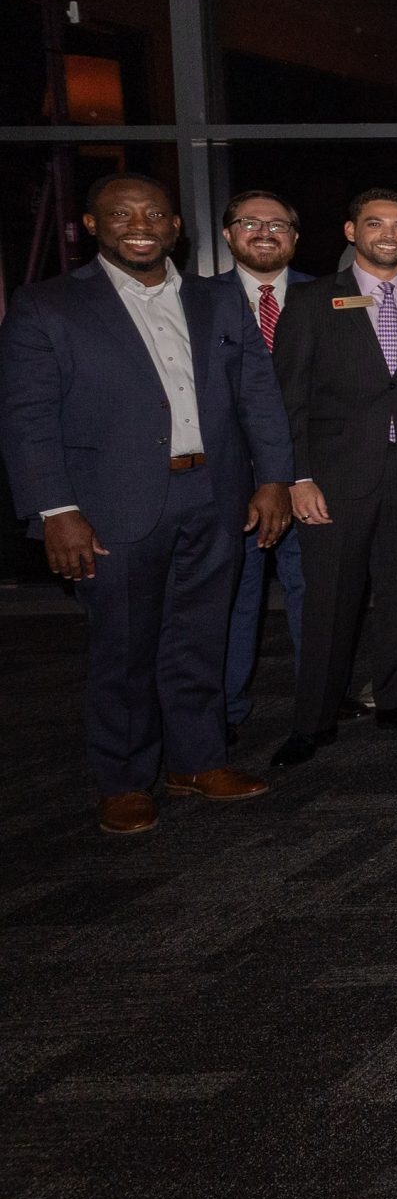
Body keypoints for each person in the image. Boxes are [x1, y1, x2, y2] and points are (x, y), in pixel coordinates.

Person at [1, 174, 291, 834]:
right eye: (122, 214)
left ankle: (197, 759)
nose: (140, 223)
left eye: (154, 213)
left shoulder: (219, 301)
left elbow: (257, 395)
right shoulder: (48, 305)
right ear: (92, 224)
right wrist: (54, 509)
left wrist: (273, 477)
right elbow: (27, 418)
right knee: (125, 645)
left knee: (200, 635)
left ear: (175, 227)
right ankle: (124, 777)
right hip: (110, 505)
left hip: (213, 494)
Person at [268, 188, 397, 768]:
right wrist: (297, 477)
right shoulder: (314, 300)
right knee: (330, 600)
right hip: (335, 478)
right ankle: (313, 718)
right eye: (375, 223)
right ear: (351, 231)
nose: (389, 234)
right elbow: (287, 398)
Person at [221, 188, 310, 739]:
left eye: (278, 224)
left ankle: (317, 697)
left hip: (309, 473)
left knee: (313, 589)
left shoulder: (324, 295)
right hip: (228, 475)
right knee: (234, 594)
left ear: (295, 238)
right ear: (228, 234)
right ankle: (224, 706)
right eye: (250, 223)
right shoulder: (197, 298)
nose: (264, 232)